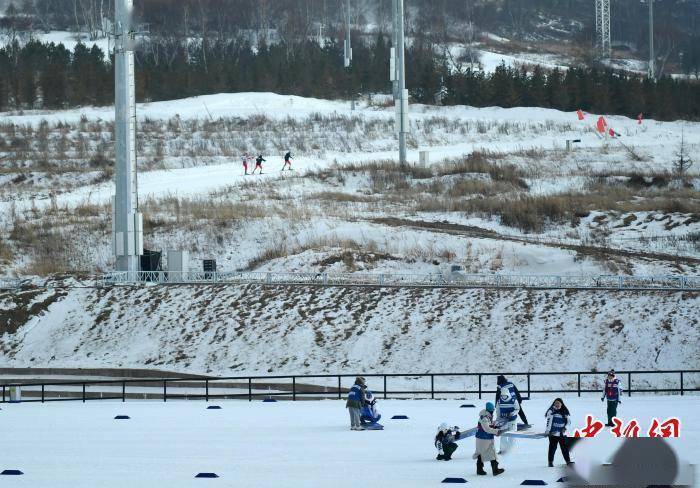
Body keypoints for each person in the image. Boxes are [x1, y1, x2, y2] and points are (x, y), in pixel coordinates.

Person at [473, 402, 505, 476]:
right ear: (490, 410)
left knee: (484, 453)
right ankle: (494, 470)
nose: (493, 411)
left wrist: (494, 425)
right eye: (492, 410)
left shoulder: (486, 416)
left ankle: (481, 470)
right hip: (484, 438)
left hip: (482, 438)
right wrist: (497, 431)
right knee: (490, 453)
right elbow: (486, 428)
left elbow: (488, 425)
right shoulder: (484, 417)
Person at [495, 376, 520, 455]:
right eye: (502, 396)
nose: (504, 397)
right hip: (503, 420)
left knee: (512, 435)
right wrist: (498, 420)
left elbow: (517, 409)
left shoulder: (513, 400)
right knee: (503, 435)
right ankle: (503, 450)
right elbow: (498, 411)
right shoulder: (499, 401)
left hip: (512, 420)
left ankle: (510, 450)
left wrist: (512, 413)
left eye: (505, 396)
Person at [545, 398, 573, 467]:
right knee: (552, 448)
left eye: (558, 403)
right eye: (555, 403)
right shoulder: (551, 411)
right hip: (553, 434)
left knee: (564, 448)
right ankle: (550, 462)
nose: (557, 404)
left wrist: (565, 427)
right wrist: (548, 431)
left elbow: (569, 422)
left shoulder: (564, 411)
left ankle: (568, 462)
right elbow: (549, 421)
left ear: (561, 404)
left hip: (561, 434)